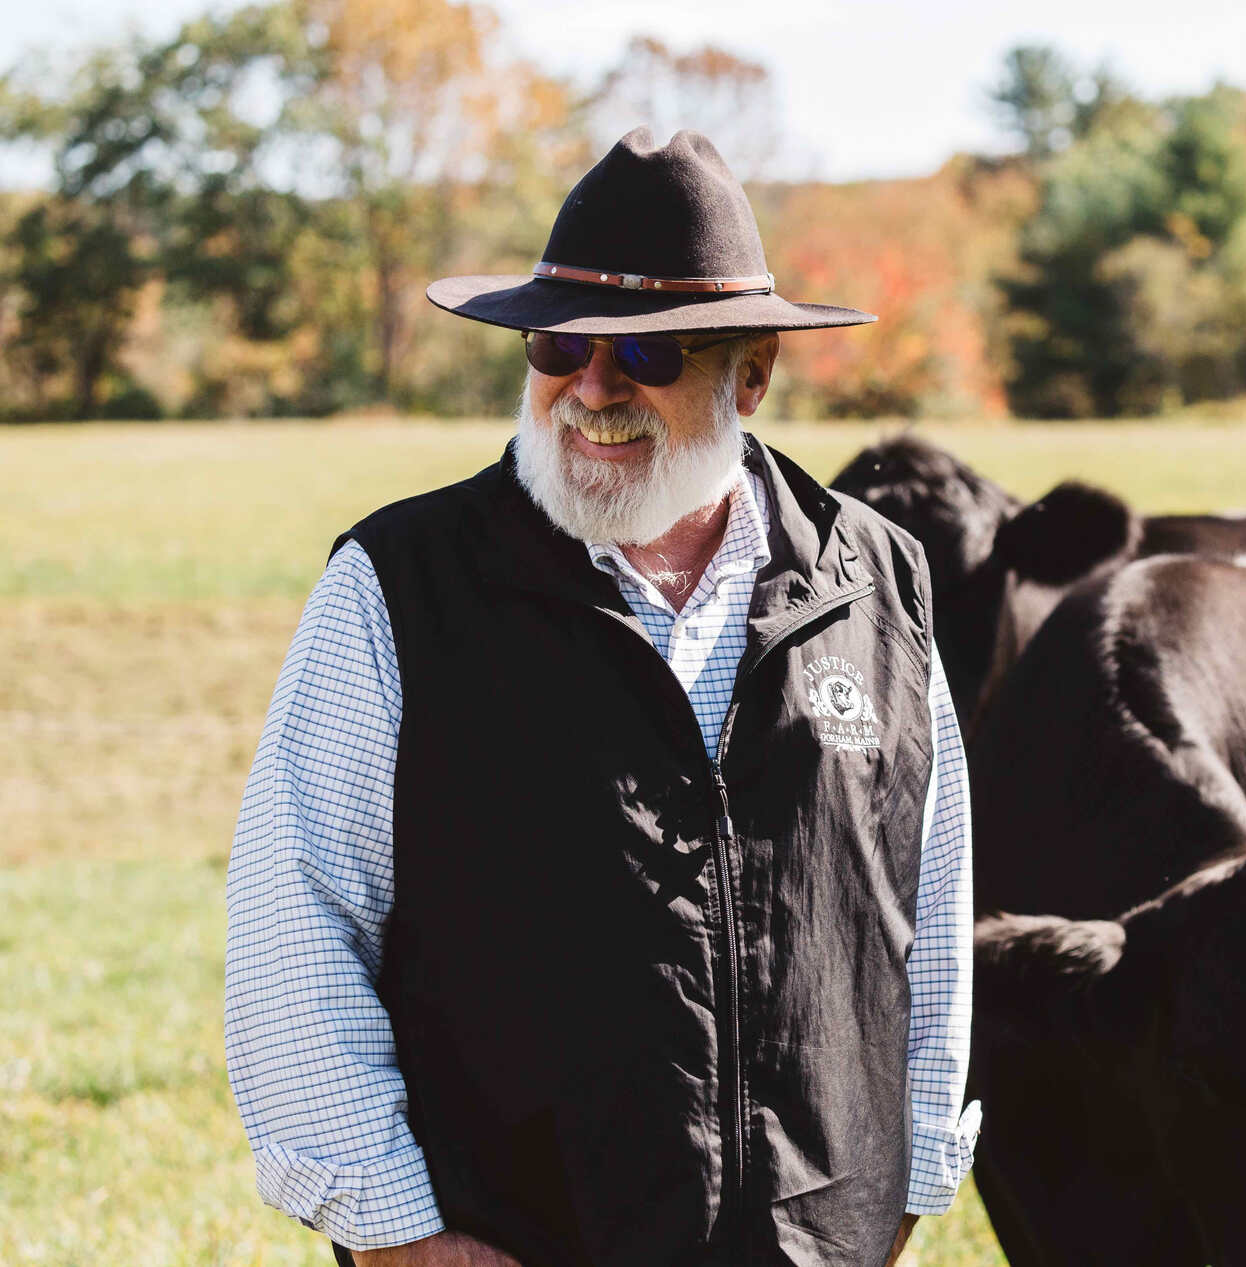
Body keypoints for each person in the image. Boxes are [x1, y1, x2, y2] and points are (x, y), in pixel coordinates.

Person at [223, 128, 980, 1267]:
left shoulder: (876, 582)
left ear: (754, 370)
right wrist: (399, 1235)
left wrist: (904, 1193)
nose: (592, 385)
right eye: (557, 341)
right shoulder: (399, 588)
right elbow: (295, 928)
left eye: (649, 353)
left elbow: (932, 920)